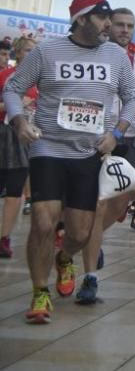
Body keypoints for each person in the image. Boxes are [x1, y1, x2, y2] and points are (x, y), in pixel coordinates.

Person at [2, 0, 135, 324]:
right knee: (43, 221)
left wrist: (116, 133)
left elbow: (132, 98)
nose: (108, 24)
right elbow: (13, 88)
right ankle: (40, 293)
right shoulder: (48, 51)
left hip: (89, 152)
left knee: (79, 232)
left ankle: (65, 257)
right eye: (102, 17)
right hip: (48, 146)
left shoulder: (115, 56)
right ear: (81, 19)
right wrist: (19, 120)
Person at [76, 7, 135, 304]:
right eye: (120, 25)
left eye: (130, 25)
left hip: (129, 137)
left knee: (127, 197)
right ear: (109, 27)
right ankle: (90, 276)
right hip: (95, 137)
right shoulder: (94, 54)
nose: (125, 30)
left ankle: (89, 236)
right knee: (98, 206)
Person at [0, 36, 38, 258]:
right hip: (3, 133)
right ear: (18, 53)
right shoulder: (5, 76)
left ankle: (4, 238)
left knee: (15, 191)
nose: (31, 54)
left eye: (35, 50)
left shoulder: (40, 79)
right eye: (27, 50)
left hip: (25, 138)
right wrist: (14, 104)